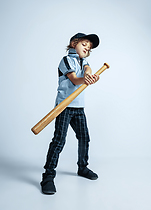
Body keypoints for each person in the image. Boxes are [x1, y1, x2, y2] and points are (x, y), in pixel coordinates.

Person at [41, 33, 100, 195]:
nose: (87, 48)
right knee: (59, 140)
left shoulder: (84, 62)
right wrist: (85, 79)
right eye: (84, 44)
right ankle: (48, 176)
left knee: (84, 137)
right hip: (64, 107)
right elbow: (74, 79)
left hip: (79, 107)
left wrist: (89, 74)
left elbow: (87, 68)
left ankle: (82, 167)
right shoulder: (66, 60)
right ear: (74, 43)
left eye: (89, 48)